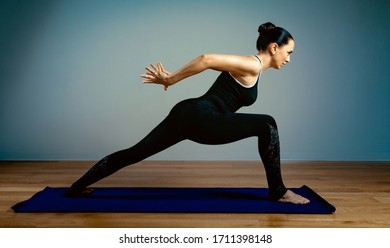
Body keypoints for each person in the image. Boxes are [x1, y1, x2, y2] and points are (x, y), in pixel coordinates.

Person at [65, 22, 310, 204]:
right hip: (205, 118)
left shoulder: (253, 68)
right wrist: (171, 79)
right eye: (289, 53)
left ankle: (77, 187)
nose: (289, 59)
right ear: (274, 47)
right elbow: (206, 58)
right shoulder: (252, 64)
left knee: (135, 152)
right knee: (267, 124)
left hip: (188, 112)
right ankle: (278, 191)